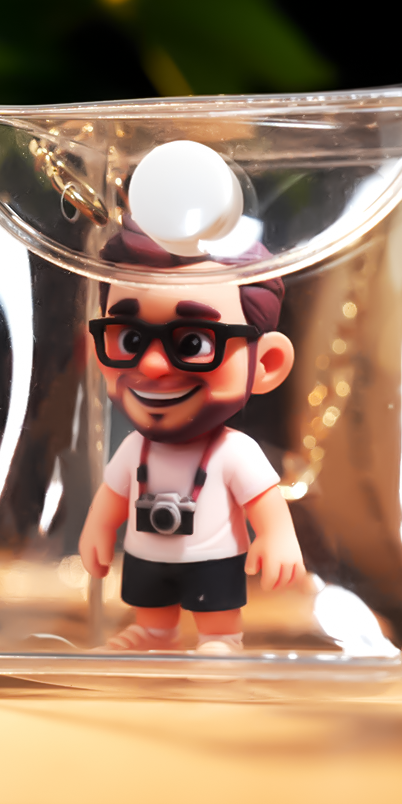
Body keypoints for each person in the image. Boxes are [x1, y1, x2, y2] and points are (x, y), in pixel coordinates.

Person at [78, 142, 304, 654]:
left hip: (214, 556)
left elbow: (264, 503)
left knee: (216, 603)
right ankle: (153, 630)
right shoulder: (135, 450)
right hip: (147, 553)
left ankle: (221, 638)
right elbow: (112, 496)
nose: (154, 366)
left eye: (193, 343)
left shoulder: (233, 452)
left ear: (266, 363)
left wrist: (277, 537)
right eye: (129, 339)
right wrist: (98, 528)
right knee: (148, 596)